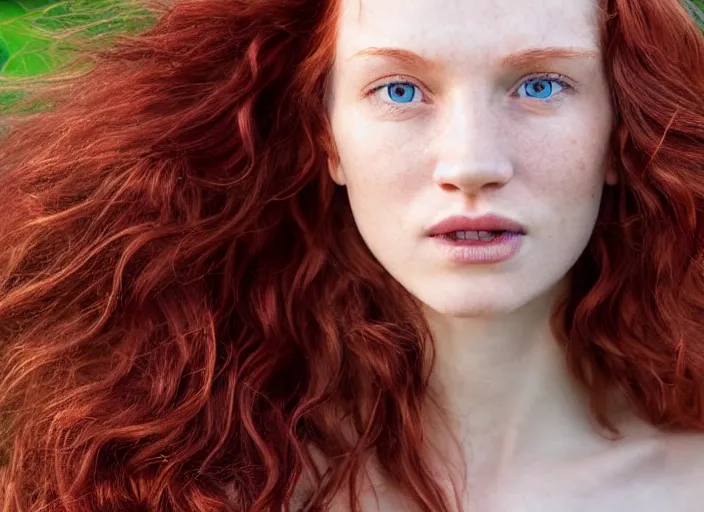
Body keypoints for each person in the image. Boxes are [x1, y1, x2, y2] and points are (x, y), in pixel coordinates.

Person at [0, 0, 703, 510]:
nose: (470, 163)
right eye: (400, 89)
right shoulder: (180, 479)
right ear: (328, 139)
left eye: (539, 85)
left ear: (623, 129)